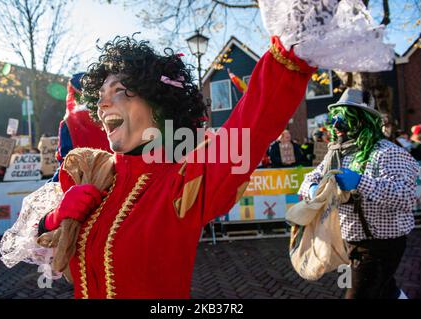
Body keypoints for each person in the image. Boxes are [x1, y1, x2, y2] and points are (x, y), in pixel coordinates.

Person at [33, 34, 315, 299]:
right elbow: (36, 248)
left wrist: (290, 50)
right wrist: (53, 219)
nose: (103, 103)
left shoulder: (184, 181)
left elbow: (254, 121)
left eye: (119, 90)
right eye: (101, 95)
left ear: (158, 106)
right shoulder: (91, 175)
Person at [299, 88, 419, 299]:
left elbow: (408, 197)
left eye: (344, 120)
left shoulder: (388, 152)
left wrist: (361, 182)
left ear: (362, 121)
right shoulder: (336, 152)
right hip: (351, 241)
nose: (336, 126)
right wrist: (312, 190)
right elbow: (310, 179)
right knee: (385, 291)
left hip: (381, 245)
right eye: (334, 119)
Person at [50, 72, 112, 182]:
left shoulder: (69, 122)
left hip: (80, 184)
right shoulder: (112, 116)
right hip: (114, 179)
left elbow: (65, 162)